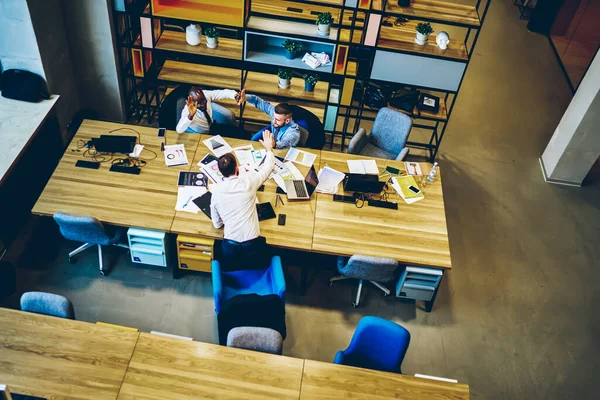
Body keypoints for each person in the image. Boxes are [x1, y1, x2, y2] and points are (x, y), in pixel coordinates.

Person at [210, 130, 276, 263]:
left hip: (230, 248)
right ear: (237, 169)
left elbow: (217, 225)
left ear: (220, 172)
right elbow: (268, 167)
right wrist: (269, 148)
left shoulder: (216, 192)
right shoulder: (249, 183)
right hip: (254, 246)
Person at [237, 89, 301, 149]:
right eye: (274, 117)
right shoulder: (274, 112)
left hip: (284, 150)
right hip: (273, 136)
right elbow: (258, 101)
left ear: (287, 121)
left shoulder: (293, 132)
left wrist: (274, 145)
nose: (274, 121)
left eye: (277, 120)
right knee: (253, 140)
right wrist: (246, 98)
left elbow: (286, 143)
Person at [176, 86, 242, 134]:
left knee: (230, 117)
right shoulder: (187, 111)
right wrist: (190, 116)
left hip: (211, 123)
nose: (204, 104)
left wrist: (235, 95)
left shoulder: (205, 94)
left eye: (204, 101)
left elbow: (222, 93)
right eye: (200, 103)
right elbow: (179, 130)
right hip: (198, 132)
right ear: (192, 102)